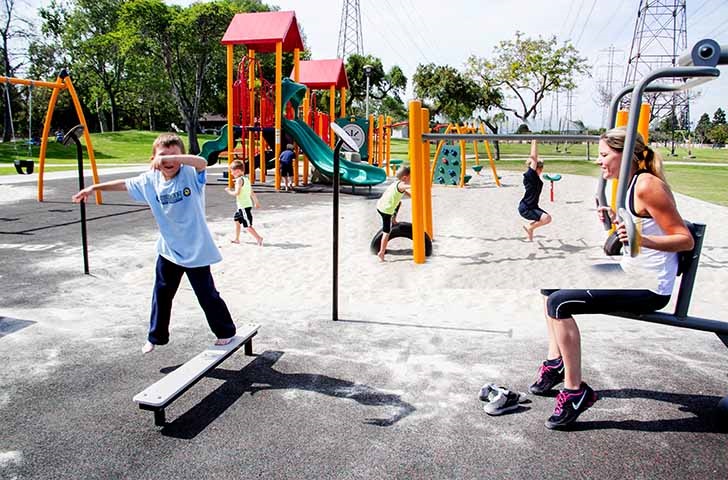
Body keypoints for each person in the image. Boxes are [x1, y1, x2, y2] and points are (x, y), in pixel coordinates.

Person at [531, 127, 694, 429]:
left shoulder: (647, 185)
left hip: (649, 286)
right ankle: (556, 361)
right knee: (549, 285)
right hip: (631, 273)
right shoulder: (630, 184)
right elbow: (633, 233)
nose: (599, 162)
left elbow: (684, 239)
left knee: (560, 302)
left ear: (627, 154)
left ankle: (575, 391)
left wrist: (640, 238)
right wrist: (613, 221)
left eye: (604, 155)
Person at [72, 133, 237, 354]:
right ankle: (155, 336)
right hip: (169, 249)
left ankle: (225, 332)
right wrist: (94, 188)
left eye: (174, 157)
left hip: (196, 248)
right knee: (161, 292)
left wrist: (180, 159)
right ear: (153, 159)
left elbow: (202, 162)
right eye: (162, 157)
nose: (169, 162)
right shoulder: (149, 180)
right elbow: (124, 185)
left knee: (206, 294)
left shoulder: (189, 174)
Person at [375, 165, 411, 262]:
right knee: (386, 232)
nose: (411, 179)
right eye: (411, 177)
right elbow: (408, 186)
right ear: (405, 177)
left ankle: (394, 219)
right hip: (385, 211)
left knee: (399, 202)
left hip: (380, 205)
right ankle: (381, 252)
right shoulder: (402, 185)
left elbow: (403, 191)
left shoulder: (397, 183)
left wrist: (410, 195)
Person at [518, 140, 551, 241]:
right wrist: (535, 140)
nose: (542, 170)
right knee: (547, 218)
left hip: (532, 206)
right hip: (526, 208)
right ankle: (529, 227)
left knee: (546, 219)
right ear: (536, 168)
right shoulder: (530, 175)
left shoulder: (535, 177)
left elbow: (535, 160)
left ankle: (530, 236)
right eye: (540, 168)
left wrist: (534, 140)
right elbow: (534, 157)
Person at [225, 159, 263, 246]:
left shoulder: (239, 180)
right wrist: (256, 202)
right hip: (243, 206)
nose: (231, 174)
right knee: (237, 221)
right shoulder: (246, 179)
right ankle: (237, 239)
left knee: (247, 225)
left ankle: (258, 238)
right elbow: (251, 192)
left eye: (232, 172)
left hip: (244, 206)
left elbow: (236, 193)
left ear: (238, 171)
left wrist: (228, 191)